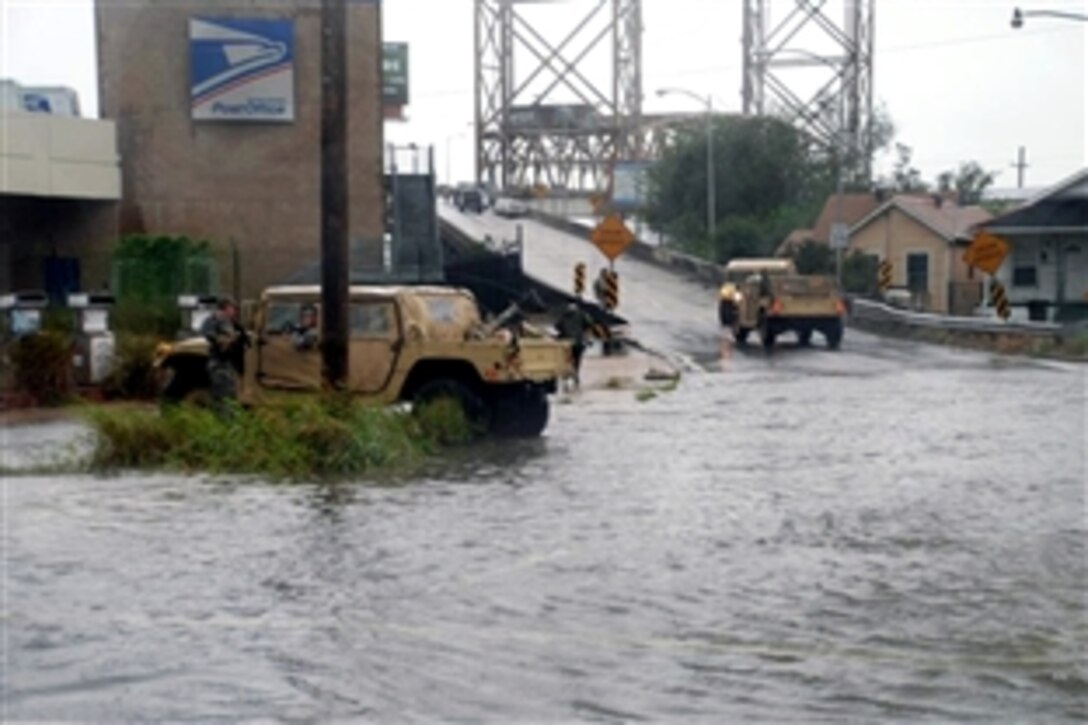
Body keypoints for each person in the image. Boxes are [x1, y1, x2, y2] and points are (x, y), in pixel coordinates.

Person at [200, 297, 247, 414]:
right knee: (223, 394)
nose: (234, 311)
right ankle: (223, 420)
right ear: (226, 308)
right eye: (232, 308)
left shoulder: (229, 321)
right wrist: (222, 340)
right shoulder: (216, 319)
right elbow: (208, 333)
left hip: (227, 363)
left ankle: (228, 417)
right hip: (220, 363)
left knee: (229, 393)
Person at [554, 302, 593, 390]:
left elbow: (557, 327)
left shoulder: (563, 316)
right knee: (577, 359)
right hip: (578, 342)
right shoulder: (582, 315)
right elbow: (589, 324)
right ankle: (575, 376)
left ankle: (566, 378)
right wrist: (586, 337)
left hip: (566, 343)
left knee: (566, 360)